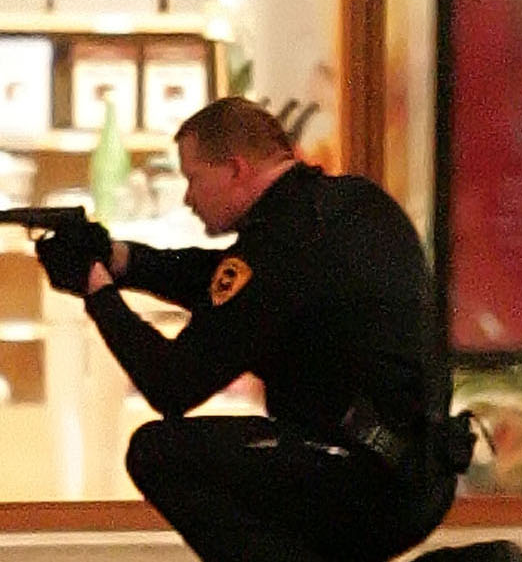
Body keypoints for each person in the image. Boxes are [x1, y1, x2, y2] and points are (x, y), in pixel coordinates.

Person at [33, 96, 458, 562]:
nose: (188, 197)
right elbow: (220, 279)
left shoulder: (281, 241)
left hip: (361, 480)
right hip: (413, 472)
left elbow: (171, 385)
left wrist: (98, 293)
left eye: (193, 177)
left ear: (235, 169)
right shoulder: (344, 205)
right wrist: (120, 259)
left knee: (159, 454)